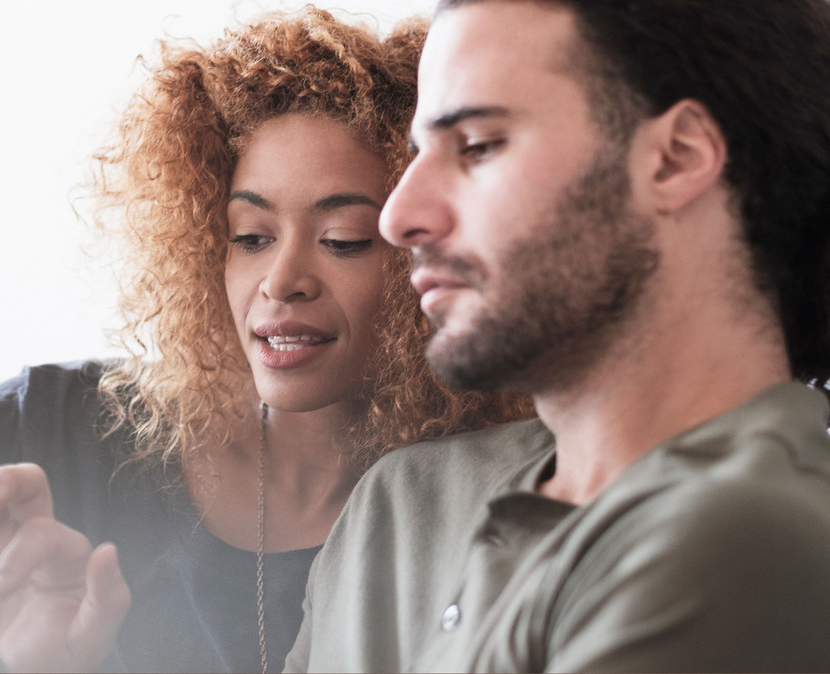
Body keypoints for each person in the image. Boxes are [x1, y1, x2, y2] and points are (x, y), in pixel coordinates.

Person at [0, 8, 532, 673]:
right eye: (249, 237)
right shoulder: (73, 425)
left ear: (424, 250)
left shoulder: (484, 490)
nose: (283, 281)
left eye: (344, 239)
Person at [286, 0, 830, 671]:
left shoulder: (738, 539)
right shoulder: (403, 506)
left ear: (674, 158)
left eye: (479, 145)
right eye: (418, 153)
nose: (399, 216)